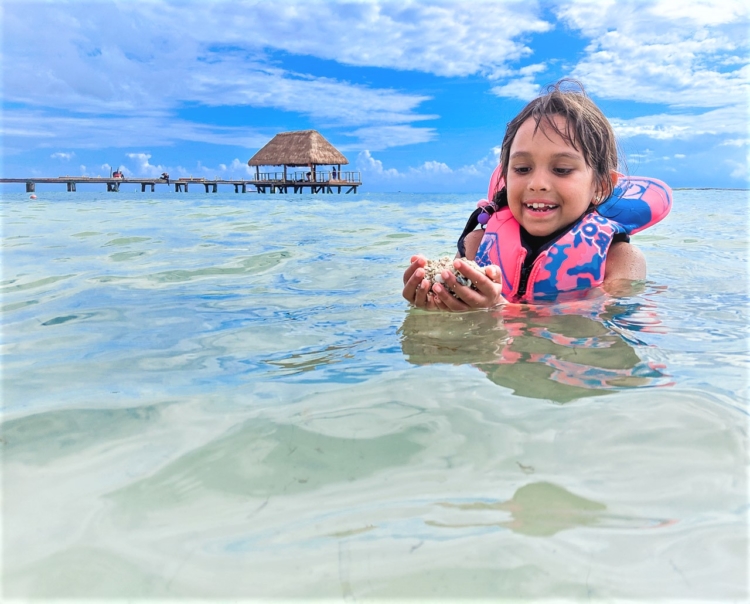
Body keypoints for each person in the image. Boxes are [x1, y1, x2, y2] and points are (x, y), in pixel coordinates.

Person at [402, 79, 671, 311]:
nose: (537, 183)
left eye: (562, 169)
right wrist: (438, 301)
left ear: (601, 186)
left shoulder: (621, 260)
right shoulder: (476, 246)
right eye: (522, 168)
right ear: (505, 178)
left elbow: (602, 329)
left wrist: (496, 311)